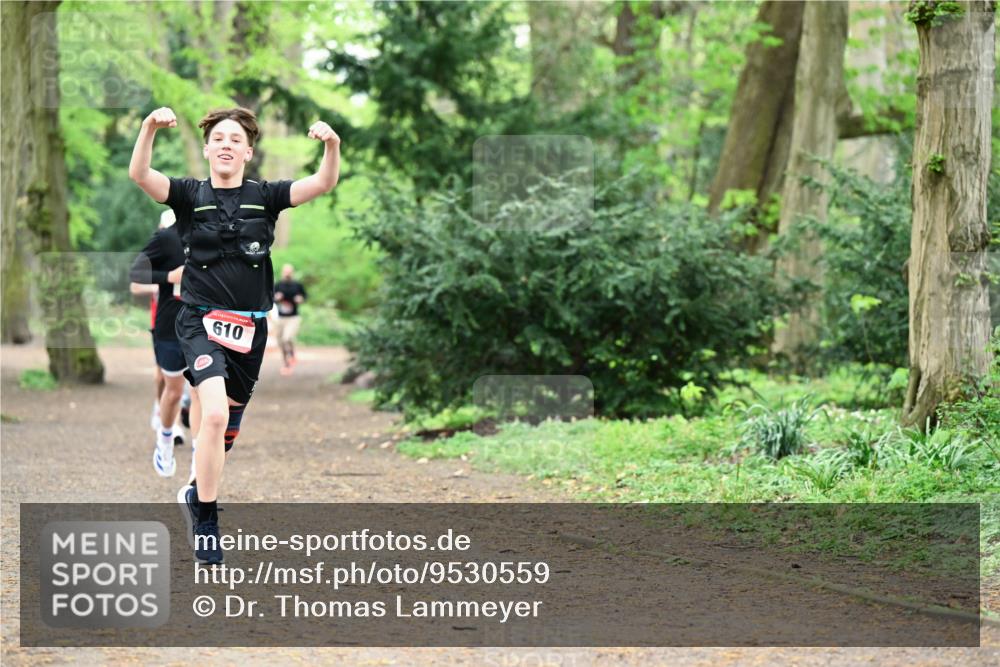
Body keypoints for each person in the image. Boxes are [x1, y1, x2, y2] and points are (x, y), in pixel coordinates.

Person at [128, 106, 340, 564]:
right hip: (199, 320)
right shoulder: (188, 195)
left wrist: (331, 145)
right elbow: (141, 174)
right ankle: (207, 520)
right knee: (214, 415)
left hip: (251, 327)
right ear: (207, 149)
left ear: (248, 151)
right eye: (218, 138)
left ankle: (194, 495)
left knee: (222, 434)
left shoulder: (266, 196)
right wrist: (148, 128)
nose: (226, 144)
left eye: (235, 139)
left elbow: (322, 183)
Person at [129, 209, 189, 476]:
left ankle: (200, 453)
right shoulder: (165, 240)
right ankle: (165, 428)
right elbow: (135, 279)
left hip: (203, 324)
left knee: (199, 390)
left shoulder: (213, 235)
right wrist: (167, 279)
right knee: (166, 383)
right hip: (165, 322)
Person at [272, 263, 307, 375]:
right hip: (281, 318)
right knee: (281, 341)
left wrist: (300, 299)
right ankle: (286, 363)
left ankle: (291, 355)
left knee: (287, 338)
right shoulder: (278, 285)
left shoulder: (297, 285)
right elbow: (270, 298)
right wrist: (276, 298)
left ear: (292, 273)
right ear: (282, 272)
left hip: (293, 317)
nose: (287, 274)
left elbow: (305, 296)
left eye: (289, 272)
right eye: (285, 272)